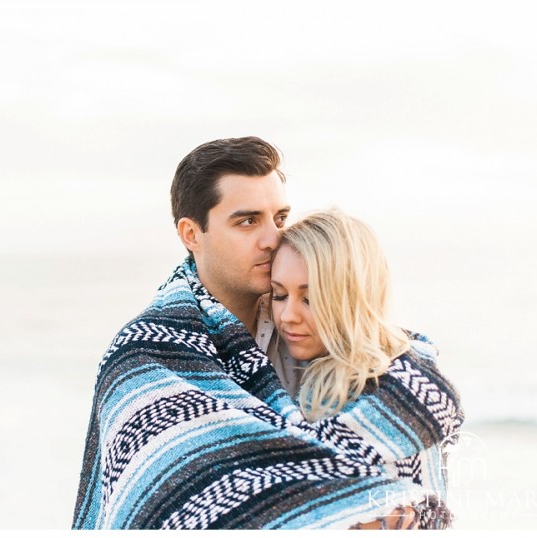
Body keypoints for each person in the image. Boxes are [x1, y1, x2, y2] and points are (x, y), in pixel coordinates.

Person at [72, 137, 463, 529]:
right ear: (191, 234)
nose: (273, 239)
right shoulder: (145, 357)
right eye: (248, 221)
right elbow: (164, 499)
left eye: (279, 218)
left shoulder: (325, 332)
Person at [270, 208, 462, 528]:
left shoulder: (392, 393)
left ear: (352, 298)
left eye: (310, 298)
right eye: (279, 295)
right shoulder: (288, 370)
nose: (288, 315)